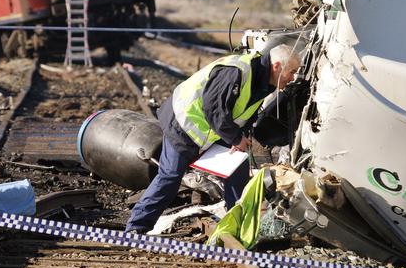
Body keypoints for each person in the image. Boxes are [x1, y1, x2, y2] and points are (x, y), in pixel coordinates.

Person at [125, 44, 301, 234]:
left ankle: (238, 227)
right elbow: (214, 109)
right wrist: (235, 138)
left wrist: (240, 137)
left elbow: (241, 112)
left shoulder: (264, 81)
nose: (292, 78)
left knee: (237, 171)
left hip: (212, 128)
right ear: (276, 66)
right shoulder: (237, 72)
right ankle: (136, 229)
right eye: (291, 72)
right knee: (170, 177)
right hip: (183, 123)